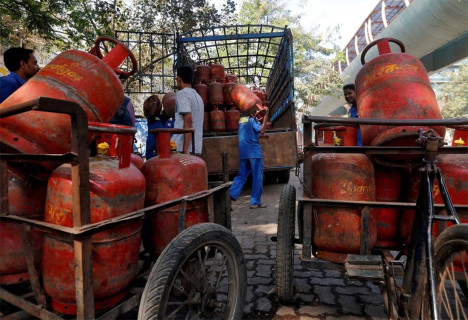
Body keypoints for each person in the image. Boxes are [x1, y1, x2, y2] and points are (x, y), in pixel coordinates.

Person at [229, 109, 269, 209]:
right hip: (254, 153)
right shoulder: (252, 120)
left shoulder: (242, 120)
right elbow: (262, 130)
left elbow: (249, 134)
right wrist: (266, 116)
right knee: (257, 176)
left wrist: (260, 136)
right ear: (252, 112)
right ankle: (255, 202)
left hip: (243, 152)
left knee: (241, 175)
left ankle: (230, 194)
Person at [173, 66, 204, 155]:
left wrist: (185, 149)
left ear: (179, 79)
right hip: (196, 147)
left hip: (182, 147)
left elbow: (188, 119)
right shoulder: (198, 96)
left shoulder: (182, 94)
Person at [144, 94, 174, 160]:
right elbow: (152, 113)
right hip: (153, 149)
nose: (154, 104)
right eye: (151, 103)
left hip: (167, 149)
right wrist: (155, 101)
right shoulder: (151, 118)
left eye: (156, 103)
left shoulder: (164, 117)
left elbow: (168, 111)